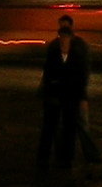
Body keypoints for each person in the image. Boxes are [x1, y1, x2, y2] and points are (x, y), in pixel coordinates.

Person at [37, 15, 90, 178]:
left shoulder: (76, 51)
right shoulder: (61, 50)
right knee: (53, 127)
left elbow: (82, 75)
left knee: (67, 128)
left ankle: (64, 159)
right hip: (59, 96)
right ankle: (49, 158)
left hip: (68, 96)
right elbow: (48, 73)